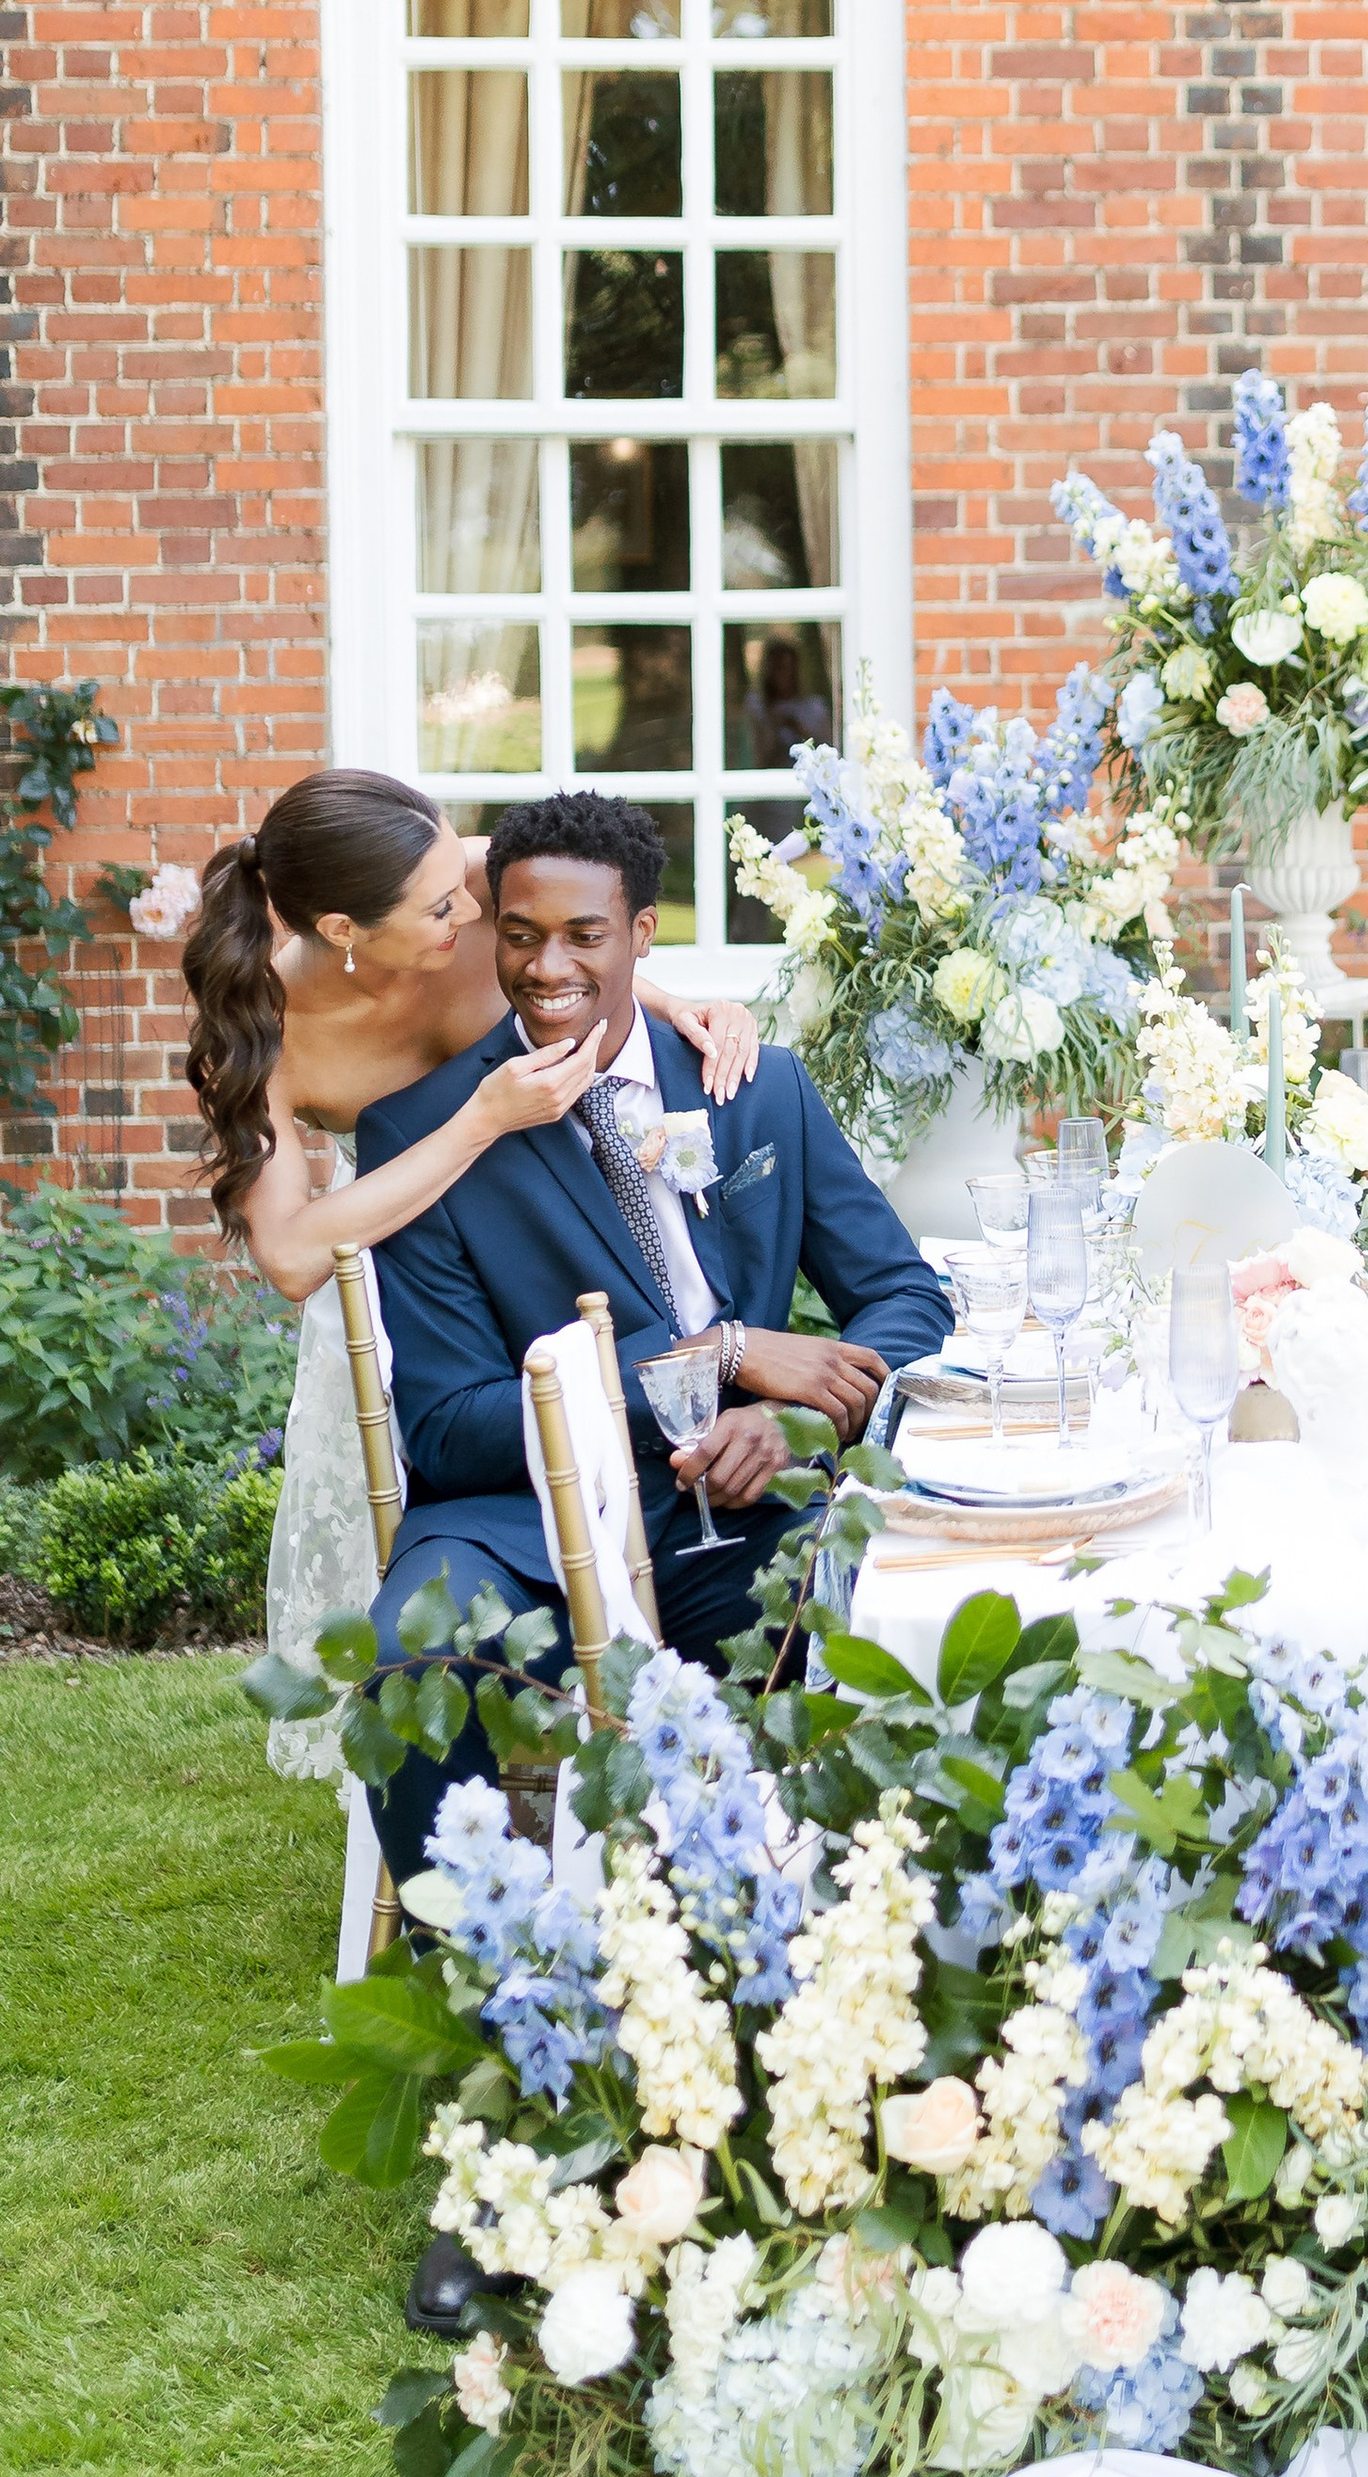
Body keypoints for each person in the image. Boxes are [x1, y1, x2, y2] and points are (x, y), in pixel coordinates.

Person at [354, 786, 949, 1900]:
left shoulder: (757, 1088)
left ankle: (844, 1909)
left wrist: (782, 1411)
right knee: (409, 1653)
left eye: (585, 936)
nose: (545, 967)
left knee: (898, 1598)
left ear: (642, 937)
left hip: (750, 1515)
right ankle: (496, 1980)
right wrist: (709, 1362)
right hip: (522, 1525)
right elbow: (447, 1424)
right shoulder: (423, 1131)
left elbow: (905, 1299)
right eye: (520, 935)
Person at [179, 767, 762, 1799]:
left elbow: (585, 945)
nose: (472, 909)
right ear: (343, 928)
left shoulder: (470, 882)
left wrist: (691, 1009)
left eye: (464, 882)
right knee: (448, 1529)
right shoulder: (261, 1022)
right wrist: (481, 1120)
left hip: (561, 1235)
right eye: (443, 906)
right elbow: (290, 1254)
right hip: (423, 1273)